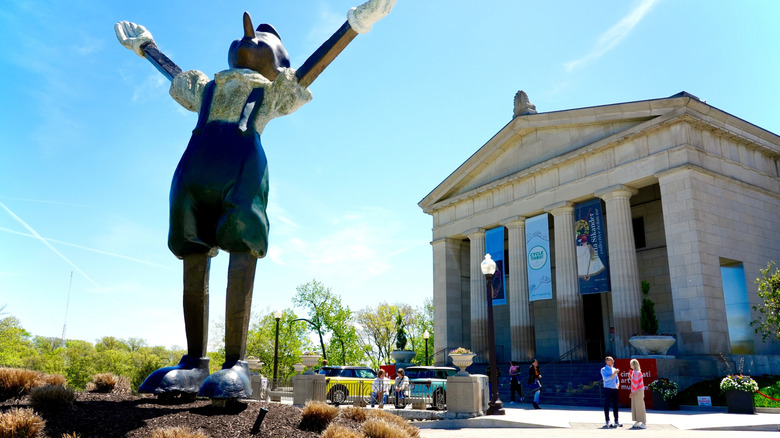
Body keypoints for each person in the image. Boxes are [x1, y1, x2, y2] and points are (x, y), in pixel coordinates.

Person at [114, 0, 396, 399]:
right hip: (192, 175)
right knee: (192, 253)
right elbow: (173, 73)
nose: (250, 37)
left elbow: (314, 67)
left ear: (278, 65)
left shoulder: (274, 92)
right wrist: (147, 46)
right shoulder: (207, 87)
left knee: (241, 248)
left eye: (262, 40)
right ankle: (195, 361)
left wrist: (354, 25)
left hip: (242, 173)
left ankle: (235, 363)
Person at [601, 356, 621, 427]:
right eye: (611, 360)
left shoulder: (614, 369)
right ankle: (607, 421)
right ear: (607, 361)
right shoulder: (603, 369)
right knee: (607, 405)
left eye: (613, 360)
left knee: (615, 405)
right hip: (607, 388)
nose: (613, 361)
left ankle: (616, 420)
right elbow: (606, 379)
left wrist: (618, 384)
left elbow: (617, 379)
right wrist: (614, 374)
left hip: (614, 389)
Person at [630, 359, 647, 429]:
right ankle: (638, 421)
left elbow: (635, 383)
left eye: (631, 364)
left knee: (639, 406)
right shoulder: (635, 372)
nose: (630, 365)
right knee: (635, 406)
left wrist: (632, 392)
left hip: (638, 391)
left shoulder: (637, 372)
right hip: (636, 391)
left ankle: (643, 422)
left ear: (633, 365)